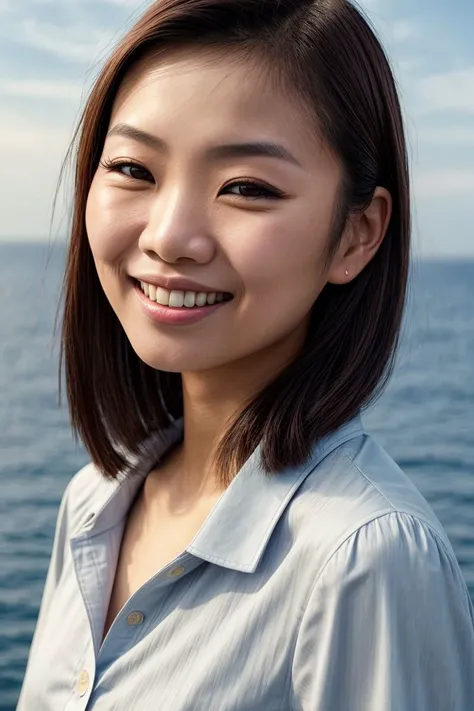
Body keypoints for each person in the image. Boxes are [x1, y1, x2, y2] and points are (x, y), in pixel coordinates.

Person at [17, 0, 474, 708]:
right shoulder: (93, 503)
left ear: (357, 233)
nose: (171, 236)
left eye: (246, 188)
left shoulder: (364, 560)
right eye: (135, 169)